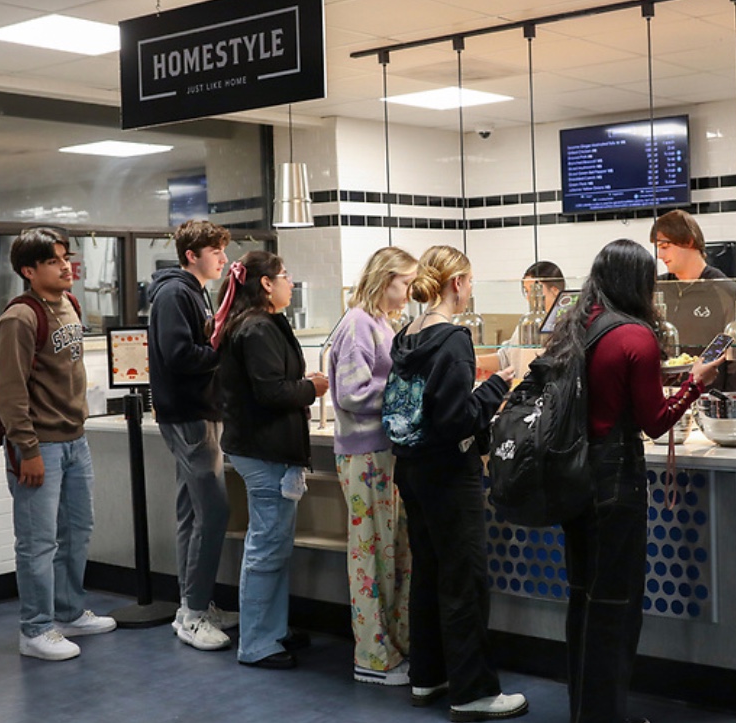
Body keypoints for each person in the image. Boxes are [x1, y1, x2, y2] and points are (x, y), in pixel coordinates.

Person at [540, 238, 722, 723]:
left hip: (574, 477)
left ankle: (587, 711)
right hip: (615, 480)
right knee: (616, 607)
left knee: (583, 598)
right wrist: (694, 384)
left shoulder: (576, 327)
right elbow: (656, 422)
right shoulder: (635, 338)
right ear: (636, 282)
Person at [384, 245, 527, 721]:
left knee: (428, 573)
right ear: (458, 282)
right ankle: (472, 691)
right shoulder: (454, 339)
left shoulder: (406, 334)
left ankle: (429, 675)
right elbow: (456, 419)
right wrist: (496, 387)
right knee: (464, 580)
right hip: (450, 472)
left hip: (411, 469)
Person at [0, 227, 116, 661]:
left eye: (66, 257)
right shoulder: (20, 318)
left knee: (77, 530)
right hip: (38, 445)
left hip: (74, 440)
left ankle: (67, 612)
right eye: (52, 260)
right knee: (37, 540)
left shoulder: (69, 305)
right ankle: (36, 628)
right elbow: (8, 392)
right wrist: (27, 449)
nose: (66, 266)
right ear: (29, 271)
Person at [214, 251, 328, 669]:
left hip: (264, 449)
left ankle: (272, 631)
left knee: (274, 547)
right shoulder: (257, 329)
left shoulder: (259, 324)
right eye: (285, 276)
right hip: (264, 451)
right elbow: (271, 393)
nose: (290, 283)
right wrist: (312, 387)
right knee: (265, 549)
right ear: (265, 283)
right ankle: (258, 643)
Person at [147, 219, 239, 651]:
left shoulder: (194, 292)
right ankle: (194, 613)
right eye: (215, 251)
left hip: (199, 413)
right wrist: (222, 346)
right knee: (214, 512)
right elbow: (181, 354)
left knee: (191, 511)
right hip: (188, 417)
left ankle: (192, 604)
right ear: (191, 255)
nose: (223, 258)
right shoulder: (174, 294)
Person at [328, 246, 417, 685]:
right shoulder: (358, 325)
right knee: (369, 555)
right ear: (385, 280)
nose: (409, 292)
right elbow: (350, 392)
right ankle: (372, 655)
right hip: (363, 454)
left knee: (392, 553)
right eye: (404, 283)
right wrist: (404, 397)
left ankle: (394, 644)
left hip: (383, 450)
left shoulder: (381, 323)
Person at [650, 210, 736, 388]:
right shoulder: (655, 288)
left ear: (689, 241)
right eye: (657, 248)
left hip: (707, 398)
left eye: (665, 246)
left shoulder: (725, 291)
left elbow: (735, 362)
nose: (659, 255)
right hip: (663, 399)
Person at [477, 260, 565, 375]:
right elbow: (505, 358)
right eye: (526, 291)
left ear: (554, 290)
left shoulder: (566, 324)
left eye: (534, 291)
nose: (529, 297)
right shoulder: (527, 324)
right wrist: (475, 361)